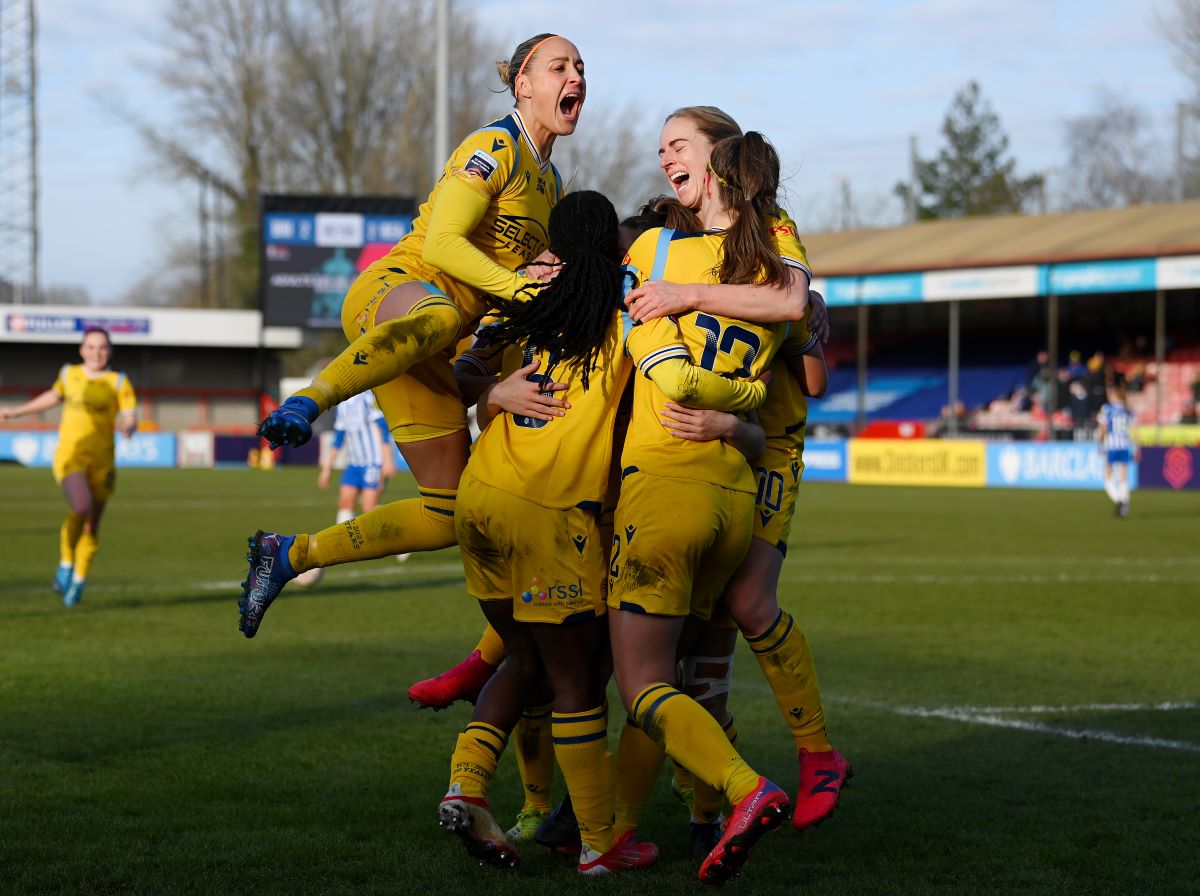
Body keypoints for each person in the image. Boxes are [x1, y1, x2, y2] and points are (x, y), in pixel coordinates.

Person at [435, 190, 768, 874]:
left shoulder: (522, 299)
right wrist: (745, 411)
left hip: (479, 499)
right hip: (551, 511)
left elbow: (457, 372)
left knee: (521, 660)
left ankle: (467, 784)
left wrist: (491, 395)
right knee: (578, 679)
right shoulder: (626, 315)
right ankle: (599, 843)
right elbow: (664, 391)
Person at [238, 33, 586, 638]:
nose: (576, 77)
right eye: (560, 66)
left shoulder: (552, 187)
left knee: (447, 512)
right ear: (523, 84)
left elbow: (509, 298)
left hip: (441, 338)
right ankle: (306, 402)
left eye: (581, 68)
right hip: (397, 290)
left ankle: (289, 554)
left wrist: (504, 350)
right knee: (441, 317)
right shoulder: (493, 146)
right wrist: (518, 289)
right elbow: (444, 244)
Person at [607, 130, 799, 886]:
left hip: (665, 487)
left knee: (643, 685)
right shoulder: (764, 260)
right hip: (734, 497)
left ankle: (738, 791)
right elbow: (804, 337)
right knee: (700, 670)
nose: (664, 159)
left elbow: (668, 375)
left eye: (677, 146)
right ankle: (658, 826)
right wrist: (749, 407)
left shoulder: (657, 258)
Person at [0, 327, 137, 606]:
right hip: (70, 456)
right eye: (90, 346)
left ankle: (78, 581)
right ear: (81, 349)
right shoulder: (68, 374)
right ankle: (65, 564)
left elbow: (129, 412)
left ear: (109, 351)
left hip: (102, 463)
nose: (96, 352)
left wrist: (130, 424)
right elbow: (51, 398)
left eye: (102, 347)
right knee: (81, 506)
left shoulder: (119, 381)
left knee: (92, 526)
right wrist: (15, 412)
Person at [294, 392, 397, 587]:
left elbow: (381, 427)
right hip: (354, 463)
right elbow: (339, 438)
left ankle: (398, 532)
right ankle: (344, 547)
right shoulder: (342, 406)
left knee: (369, 507)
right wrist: (327, 468)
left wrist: (387, 460)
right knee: (345, 502)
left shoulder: (368, 398)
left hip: (373, 462)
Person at [1097, 383, 1137, 517]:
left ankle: (1118, 500)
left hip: (1112, 446)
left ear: (1114, 395)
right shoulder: (1128, 410)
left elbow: (1103, 428)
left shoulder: (1107, 409)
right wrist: (1136, 447)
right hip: (1125, 445)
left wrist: (1100, 443)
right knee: (1123, 478)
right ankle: (1124, 506)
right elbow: (1134, 431)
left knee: (1107, 476)